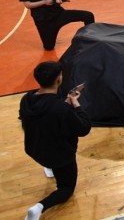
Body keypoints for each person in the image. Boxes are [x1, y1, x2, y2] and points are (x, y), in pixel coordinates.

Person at [19, 61, 91, 220]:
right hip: (59, 156)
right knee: (66, 189)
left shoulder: (26, 99)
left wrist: (64, 105)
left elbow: (46, 115)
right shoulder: (60, 109)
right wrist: (76, 105)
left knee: (49, 152)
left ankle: (49, 167)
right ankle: (39, 208)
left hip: (34, 149)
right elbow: (84, 128)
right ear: (59, 80)